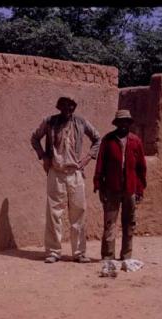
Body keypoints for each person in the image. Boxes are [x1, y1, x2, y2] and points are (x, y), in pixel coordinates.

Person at [31, 97, 101, 263]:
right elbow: (35, 138)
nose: (68, 108)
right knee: (54, 213)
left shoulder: (81, 122)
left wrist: (87, 158)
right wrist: (43, 156)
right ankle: (53, 252)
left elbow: (98, 139)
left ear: (74, 107)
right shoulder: (49, 121)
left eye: (71, 106)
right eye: (64, 105)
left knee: (78, 213)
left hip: (75, 173)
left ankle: (79, 252)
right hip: (56, 172)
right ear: (59, 107)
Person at [93, 109, 147, 260]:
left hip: (130, 189)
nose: (123, 125)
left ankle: (126, 255)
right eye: (121, 122)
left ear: (129, 123)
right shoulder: (108, 140)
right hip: (111, 188)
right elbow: (100, 164)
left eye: (126, 122)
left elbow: (141, 167)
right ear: (116, 124)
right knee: (110, 223)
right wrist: (99, 185)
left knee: (129, 223)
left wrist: (139, 189)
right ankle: (108, 256)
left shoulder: (135, 141)